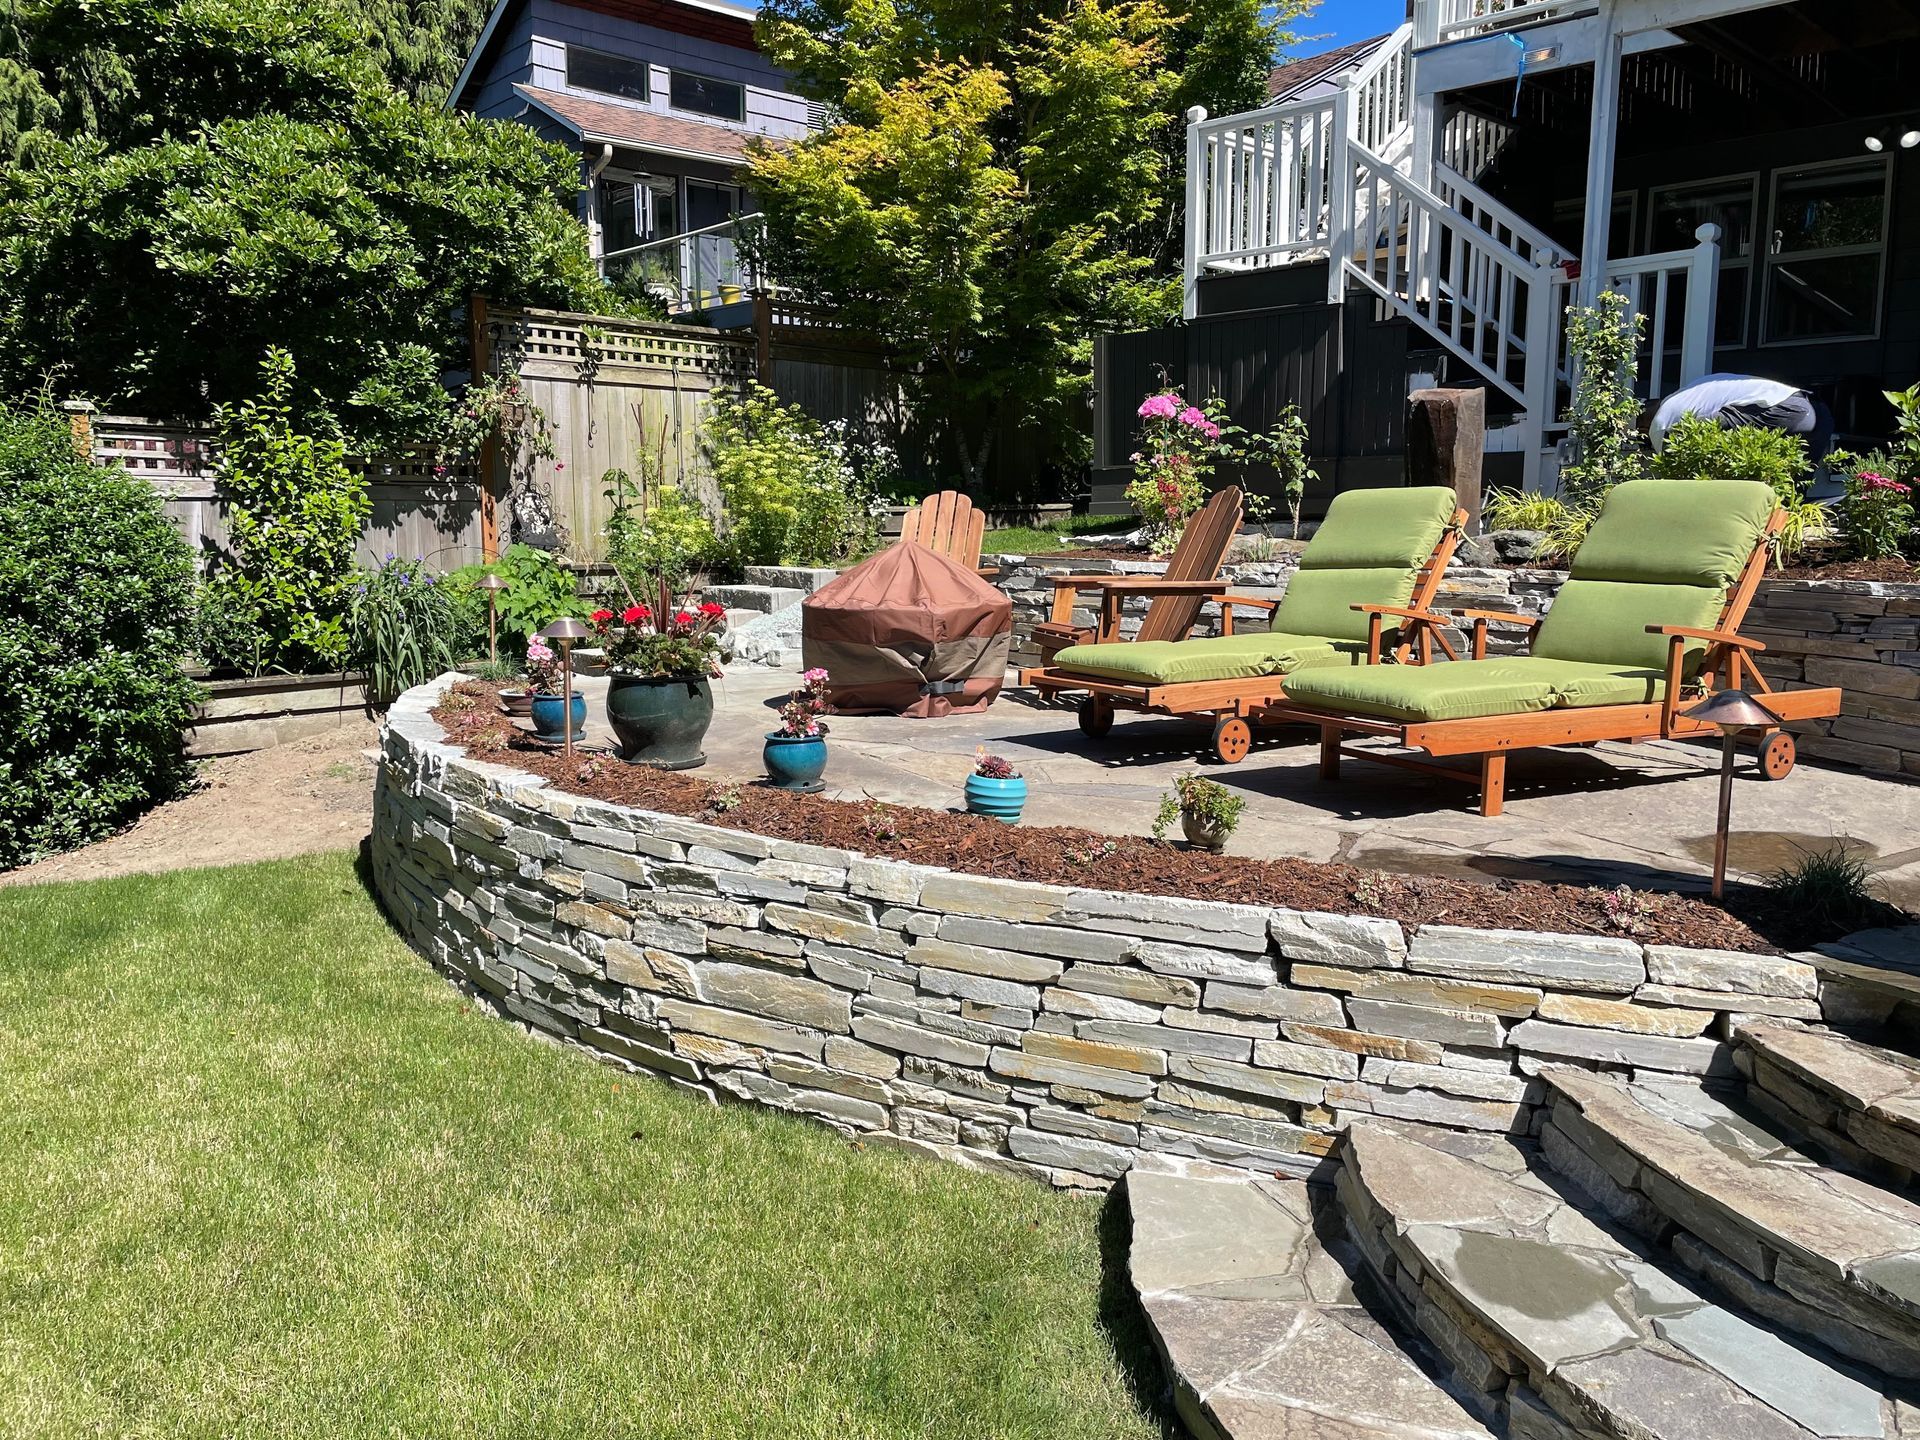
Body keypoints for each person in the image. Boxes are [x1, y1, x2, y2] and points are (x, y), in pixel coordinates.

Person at [1648, 372, 1833, 459]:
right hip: (1818, 411)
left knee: (1692, 434)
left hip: (1783, 410)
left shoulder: (1661, 420)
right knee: (1796, 489)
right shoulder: (1694, 390)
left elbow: (1670, 463)